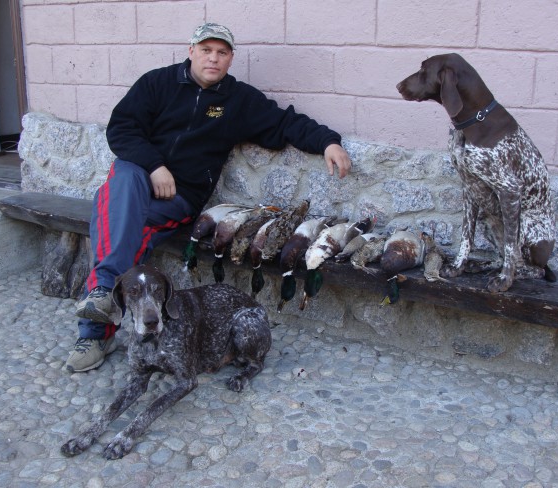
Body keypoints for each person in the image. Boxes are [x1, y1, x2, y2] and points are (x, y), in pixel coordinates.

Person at [65, 22, 352, 373]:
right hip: (138, 182)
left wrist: (328, 142)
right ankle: (101, 305)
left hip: (178, 199)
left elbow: (284, 123)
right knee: (123, 179)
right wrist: (155, 166)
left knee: (113, 219)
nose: (213, 58)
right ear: (191, 52)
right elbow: (122, 129)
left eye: (221, 52)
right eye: (205, 50)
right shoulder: (156, 84)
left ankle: (97, 325)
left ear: (230, 58)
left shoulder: (238, 100)